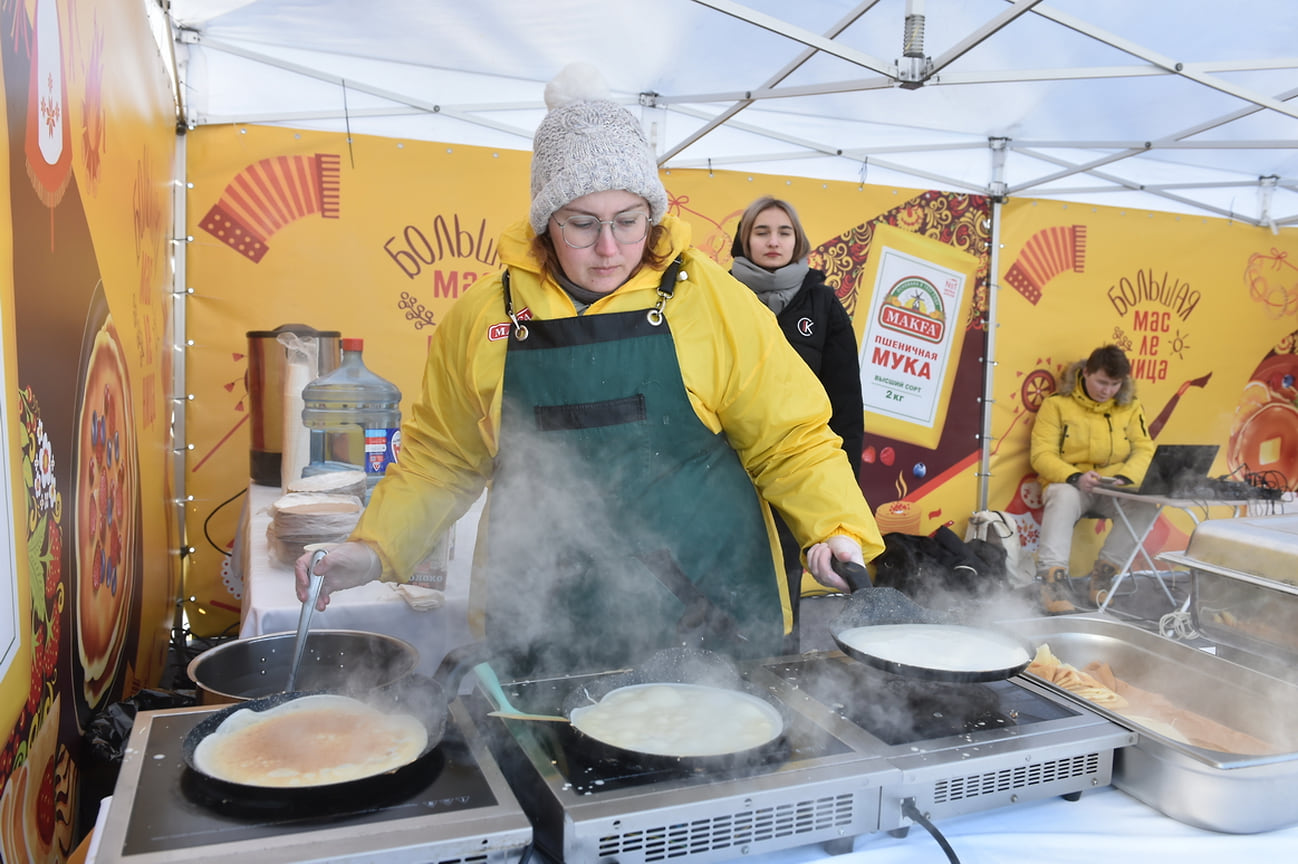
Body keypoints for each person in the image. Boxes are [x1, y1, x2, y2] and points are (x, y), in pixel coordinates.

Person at [295, 63, 884, 677]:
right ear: (545, 223)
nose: (609, 248)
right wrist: (370, 550)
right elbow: (442, 458)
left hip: (710, 607)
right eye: (582, 223)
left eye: (629, 221)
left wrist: (835, 527)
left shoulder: (713, 301)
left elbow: (792, 439)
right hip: (542, 610)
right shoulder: (482, 318)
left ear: (652, 215)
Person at [729, 197, 864, 645]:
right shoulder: (719, 296)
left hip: (794, 472)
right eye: (762, 231)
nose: (773, 241)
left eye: (783, 231)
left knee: (784, 583)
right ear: (745, 239)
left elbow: (846, 403)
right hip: (725, 471)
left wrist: (843, 491)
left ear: (798, 239)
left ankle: (777, 669)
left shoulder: (823, 304)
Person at [1029, 345, 1157, 613]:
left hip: (1114, 487)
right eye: (1101, 382)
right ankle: (1052, 583)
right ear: (1085, 373)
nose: (1107, 391)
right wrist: (1075, 476)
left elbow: (1145, 449)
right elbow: (1041, 455)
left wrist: (1126, 478)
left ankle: (1103, 577)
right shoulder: (1056, 404)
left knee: (1146, 506)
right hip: (1073, 485)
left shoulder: (1131, 407)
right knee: (1062, 495)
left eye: (1114, 384)